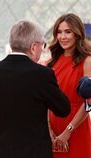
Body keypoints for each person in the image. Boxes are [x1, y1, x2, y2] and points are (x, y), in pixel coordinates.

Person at [0, 19, 71, 158]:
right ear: (33, 47)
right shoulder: (43, 74)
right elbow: (63, 109)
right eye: (42, 45)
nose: (42, 49)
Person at [47, 13, 91, 158]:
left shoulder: (87, 61)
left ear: (77, 33)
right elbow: (46, 100)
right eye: (59, 32)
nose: (62, 37)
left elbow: (89, 103)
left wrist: (68, 131)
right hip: (53, 130)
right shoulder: (50, 63)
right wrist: (48, 129)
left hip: (77, 127)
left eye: (68, 32)